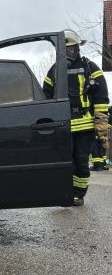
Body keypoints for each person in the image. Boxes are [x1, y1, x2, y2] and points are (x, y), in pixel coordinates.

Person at [43, 29, 109, 206]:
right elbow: (46, 96)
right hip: (62, 126)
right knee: (64, 162)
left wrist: (101, 125)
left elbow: (101, 99)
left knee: (81, 161)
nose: (68, 52)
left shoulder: (91, 68)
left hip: (84, 127)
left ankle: (78, 194)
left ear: (78, 48)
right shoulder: (54, 70)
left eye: (71, 49)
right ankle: (64, 192)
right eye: (65, 49)